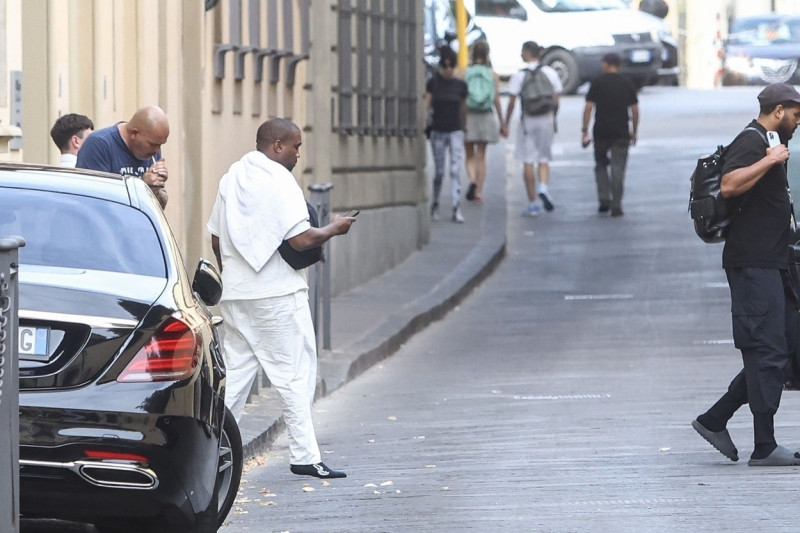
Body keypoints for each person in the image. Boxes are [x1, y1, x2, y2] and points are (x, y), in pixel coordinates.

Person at [207, 118, 356, 479]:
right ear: (276, 146)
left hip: (236, 294)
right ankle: (305, 456)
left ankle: (207, 454)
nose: (297, 155)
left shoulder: (232, 177)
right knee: (295, 374)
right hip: (276, 294)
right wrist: (334, 228)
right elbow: (300, 240)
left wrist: (235, 271)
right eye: (295, 147)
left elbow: (216, 238)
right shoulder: (278, 180)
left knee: (237, 377)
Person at [692, 82, 800, 467]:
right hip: (752, 263)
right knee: (766, 349)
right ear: (778, 110)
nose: (798, 121)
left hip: (773, 261)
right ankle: (764, 445)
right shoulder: (752, 141)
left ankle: (715, 418)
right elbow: (729, 184)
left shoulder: (768, 141)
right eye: (796, 114)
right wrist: (770, 160)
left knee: (784, 347)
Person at [501, 41, 562, 217]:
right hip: (546, 119)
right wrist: (553, 115)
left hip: (528, 120)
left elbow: (512, 101)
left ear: (527, 53)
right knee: (543, 158)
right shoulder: (550, 72)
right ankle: (543, 187)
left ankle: (533, 202)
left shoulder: (519, 76)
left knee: (527, 160)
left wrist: (505, 121)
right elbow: (557, 99)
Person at [76, 105, 170, 208]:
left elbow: (157, 208)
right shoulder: (99, 144)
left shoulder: (152, 151)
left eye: (160, 145)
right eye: (153, 144)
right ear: (134, 133)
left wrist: (156, 189)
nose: (156, 150)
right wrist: (141, 186)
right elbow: (95, 200)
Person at [580, 52, 639, 217]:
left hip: (601, 132)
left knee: (600, 165)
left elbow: (588, 107)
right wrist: (634, 131)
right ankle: (617, 203)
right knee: (618, 167)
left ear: (606, 64)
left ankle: (603, 199)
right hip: (621, 132)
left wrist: (584, 130)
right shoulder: (626, 83)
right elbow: (634, 109)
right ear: (619, 65)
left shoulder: (597, 82)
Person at [426, 45, 468, 223]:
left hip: (455, 130)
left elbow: (463, 108)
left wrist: (465, 127)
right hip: (438, 130)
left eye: (451, 66)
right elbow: (427, 105)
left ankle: (456, 207)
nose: (449, 69)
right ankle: (435, 203)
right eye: (445, 66)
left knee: (455, 169)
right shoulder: (433, 83)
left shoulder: (460, 85)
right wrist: (426, 123)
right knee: (440, 171)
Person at [464, 40, 503, 203]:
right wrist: (503, 121)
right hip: (485, 115)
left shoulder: (464, 73)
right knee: (481, 155)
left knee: (469, 154)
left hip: (468, 115)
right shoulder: (492, 75)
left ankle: (472, 179)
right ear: (487, 54)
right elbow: (496, 100)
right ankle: (479, 190)